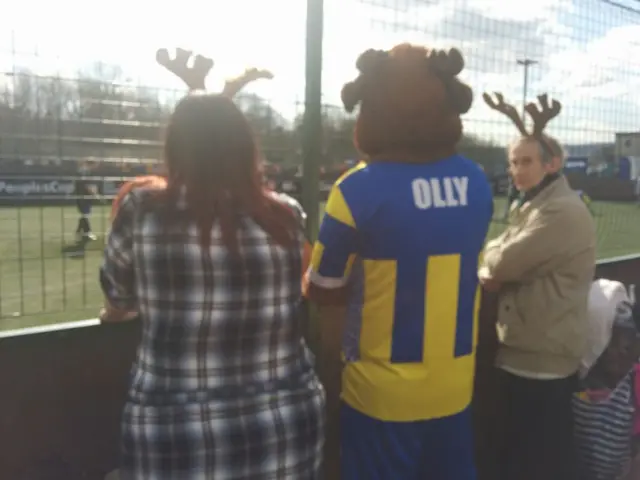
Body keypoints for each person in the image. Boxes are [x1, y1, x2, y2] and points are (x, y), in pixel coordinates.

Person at [99, 48, 325, 480]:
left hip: (173, 435)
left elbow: (119, 296)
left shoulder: (142, 208)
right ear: (247, 148)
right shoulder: (286, 214)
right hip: (286, 429)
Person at [305, 44, 494, 480]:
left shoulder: (355, 189)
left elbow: (324, 290)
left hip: (380, 395)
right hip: (454, 388)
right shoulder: (478, 182)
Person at [479, 92, 597, 480]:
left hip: (541, 358)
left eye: (527, 162)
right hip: (527, 350)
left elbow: (501, 261)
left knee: (536, 457)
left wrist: (496, 255)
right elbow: (502, 255)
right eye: (513, 162)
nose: (517, 170)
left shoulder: (559, 212)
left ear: (553, 164)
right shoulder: (534, 207)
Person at [574, 279, 640, 480]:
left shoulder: (634, 382)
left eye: (630, 342)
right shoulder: (570, 384)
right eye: (612, 339)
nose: (623, 350)